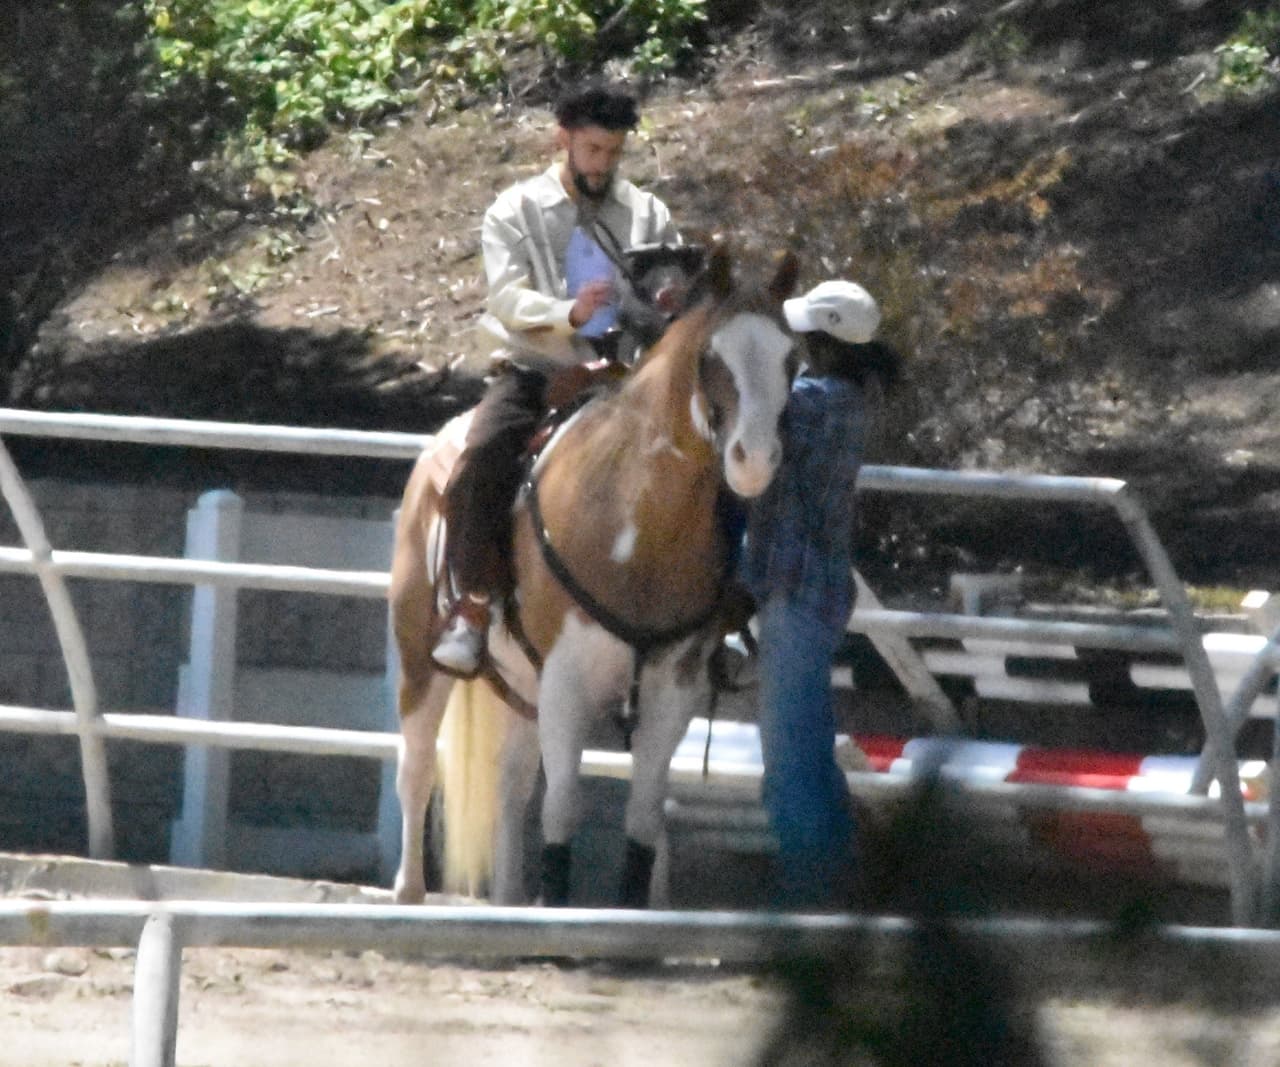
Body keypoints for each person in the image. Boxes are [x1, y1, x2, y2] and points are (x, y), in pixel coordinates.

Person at [432, 82, 680, 675]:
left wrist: (668, 300)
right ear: (563, 140)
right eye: (593, 150)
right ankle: (472, 606)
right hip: (538, 368)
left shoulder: (647, 212)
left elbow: (672, 276)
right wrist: (565, 314)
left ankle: (707, 611)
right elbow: (507, 296)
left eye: (614, 153)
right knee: (486, 454)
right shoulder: (513, 210)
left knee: (698, 451)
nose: (604, 164)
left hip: (625, 371)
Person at [739, 278, 891, 910]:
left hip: (794, 591)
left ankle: (806, 902)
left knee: (789, 761)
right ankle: (833, 886)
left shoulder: (813, 402)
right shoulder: (848, 399)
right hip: (818, 592)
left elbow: (754, 407)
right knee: (807, 742)